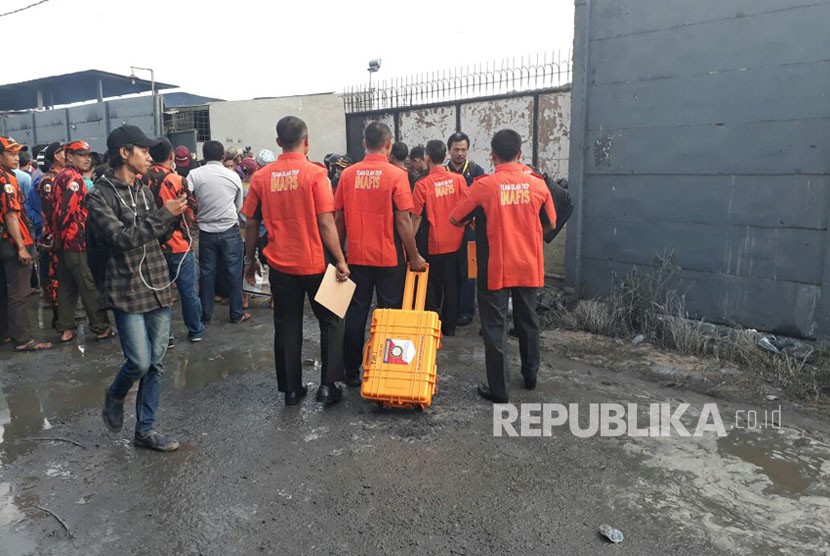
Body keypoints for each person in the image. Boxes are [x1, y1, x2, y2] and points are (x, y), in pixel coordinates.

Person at [90, 125, 187, 452]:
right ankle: (115, 394)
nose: (149, 156)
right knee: (140, 362)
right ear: (124, 153)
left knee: (156, 363)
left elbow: (154, 236)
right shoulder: (99, 195)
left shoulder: (145, 188)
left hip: (157, 282)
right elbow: (121, 239)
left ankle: (145, 430)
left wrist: (174, 216)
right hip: (125, 287)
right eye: (143, 151)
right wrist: (163, 216)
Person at [242, 116, 350, 405]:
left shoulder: (261, 177)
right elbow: (326, 222)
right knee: (331, 321)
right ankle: (328, 387)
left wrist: (249, 259)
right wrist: (340, 260)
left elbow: (251, 223)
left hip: (280, 266)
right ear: (307, 140)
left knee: (287, 325)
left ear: (278, 142)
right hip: (316, 263)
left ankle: (291, 389)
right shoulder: (316, 174)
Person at [450, 129, 556, 404]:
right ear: (520, 153)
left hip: (494, 267)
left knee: (494, 326)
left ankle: (499, 389)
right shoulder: (538, 184)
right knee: (528, 320)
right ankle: (530, 375)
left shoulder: (484, 185)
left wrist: (479, 221)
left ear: (493, 155)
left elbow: (456, 218)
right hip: (528, 264)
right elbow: (551, 224)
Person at [334, 121, 426, 387]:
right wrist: (415, 255)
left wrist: (339, 256)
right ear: (388, 144)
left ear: (364, 144)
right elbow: (403, 221)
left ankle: (351, 371)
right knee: (389, 314)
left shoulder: (347, 175)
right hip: (389, 258)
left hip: (356, 257)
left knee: (355, 313)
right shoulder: (397, 176)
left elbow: (338, 219)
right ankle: (386, 371)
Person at [52, 140, 113, 342]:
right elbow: (65, 212)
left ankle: (66, 329)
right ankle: (101, 327)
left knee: (67, 286)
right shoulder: (73, 179)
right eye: (81, 155)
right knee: (88, 285)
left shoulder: (63, 175)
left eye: (88, 155)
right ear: (69, 157)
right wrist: (62, 237)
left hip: (66, 241)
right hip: (76, 240)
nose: (87, 159)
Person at [146, 137, 204, 344]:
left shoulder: (140, 178)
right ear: (171, 156)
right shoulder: (177, 180)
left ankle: (166, 336)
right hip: (178, 244)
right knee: (187, 291)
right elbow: (190, 212)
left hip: (151, 245)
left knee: (161, 294)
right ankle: (195, 330)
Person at [186, 140, 249, 324]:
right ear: (223, 156)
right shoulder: (232, 176)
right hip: (229, 229)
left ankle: (205, 315)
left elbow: (186, 194)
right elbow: (238, 206)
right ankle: (236, 313)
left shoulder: (194, 174)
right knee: (234, 272)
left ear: (204, 156)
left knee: (206, 274)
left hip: (206, 230)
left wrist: (197, 208)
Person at [411, 140, 469, 336]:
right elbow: (466, 209)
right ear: (445, 156)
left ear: (427, 156)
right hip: (456, 240)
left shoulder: (422, 185)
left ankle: (430, 324)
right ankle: (450, 327)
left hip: (432, 242)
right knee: (451, 283)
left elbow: (416, 217)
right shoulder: (459, 180)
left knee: (431, 284)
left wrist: (409, 245)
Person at [0, 136, 51, 352]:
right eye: (10, 154)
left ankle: (5, 335)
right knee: (19, 293)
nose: (16, 157)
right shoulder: (6, 180)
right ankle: (23, 340)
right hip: (12, 240)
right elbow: (11, 216)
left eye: (16, 153)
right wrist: (21, 246)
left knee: (4, 290)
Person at [446, 131, 486, 327]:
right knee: (451, 271)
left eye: (463, 149)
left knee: (469, 271)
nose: (460, 153)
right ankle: (450, 310)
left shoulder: (477, 171)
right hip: (447, 230)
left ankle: (467, 311)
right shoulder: (443, 173)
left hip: (470, 231)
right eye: (456, 150)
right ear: (449, 151)